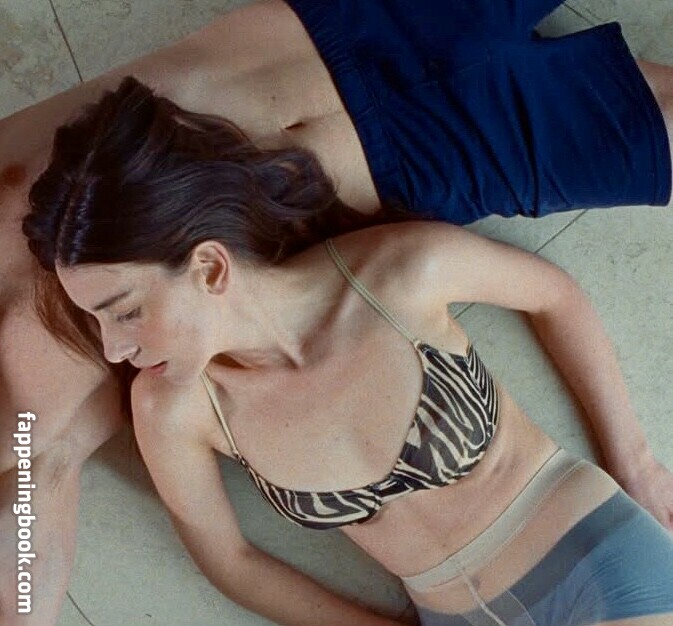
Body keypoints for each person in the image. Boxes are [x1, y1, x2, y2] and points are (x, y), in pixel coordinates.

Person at [1, 0, 672, 622]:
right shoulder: (48, 397)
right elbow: (33, 523)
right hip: (433, 159)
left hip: (344, 25)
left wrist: (635, 463)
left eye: (121, 315)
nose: (116, 342)